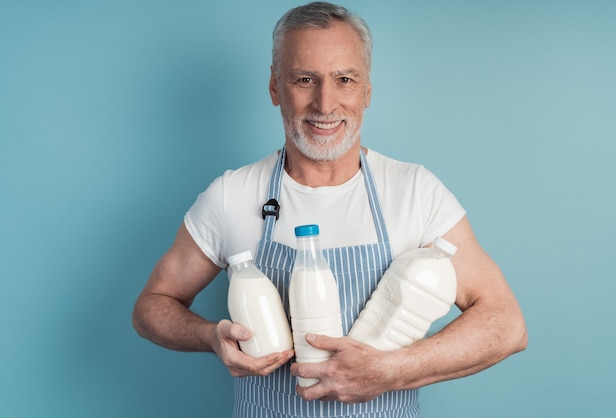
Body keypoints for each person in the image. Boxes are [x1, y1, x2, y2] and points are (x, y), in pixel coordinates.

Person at [132, 2, 527, 417]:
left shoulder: (414, 192)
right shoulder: (232, 195)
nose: (325, 103)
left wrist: (391, 370)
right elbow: (151, 306)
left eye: (344, 79)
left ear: (367, 90)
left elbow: (506, 325)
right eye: (305, 79)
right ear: (274, 87)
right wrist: (210, 336)